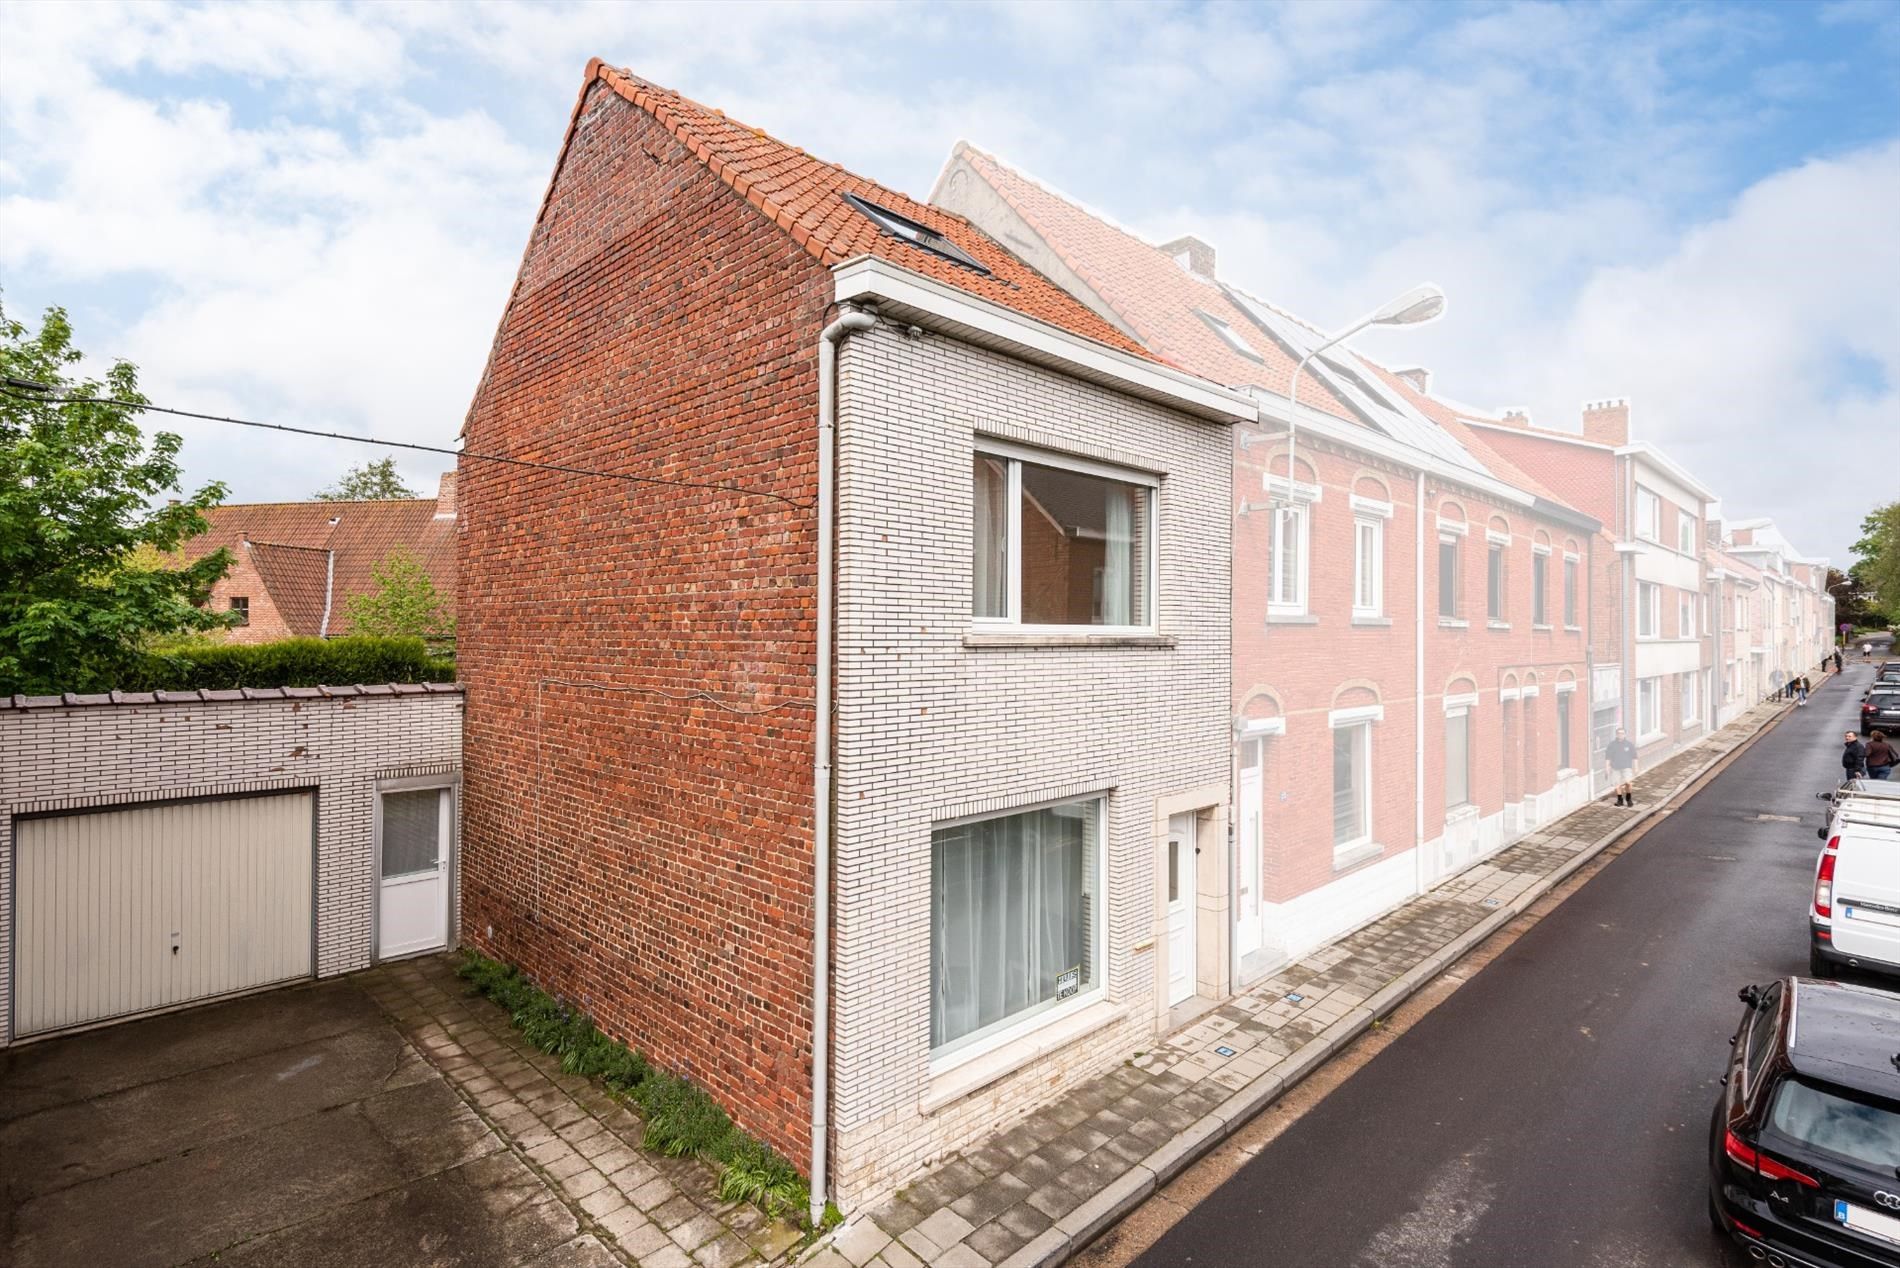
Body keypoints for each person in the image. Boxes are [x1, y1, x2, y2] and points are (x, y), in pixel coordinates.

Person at [1606, 728, 1638, 807]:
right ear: (1616, 734)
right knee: (1617, 784)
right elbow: (1608, 757)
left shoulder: (1629, 744)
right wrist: (1607, 768)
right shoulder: (1611, 745)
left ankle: (1628, 798)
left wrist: (1636, 767)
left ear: (1625, 734)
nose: (1620, 735)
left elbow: (1635, 757)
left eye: (1622, 733)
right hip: (1615, 768)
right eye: (1619, 733)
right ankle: (1620, 800)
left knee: (1628, 783)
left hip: (1626, 767)